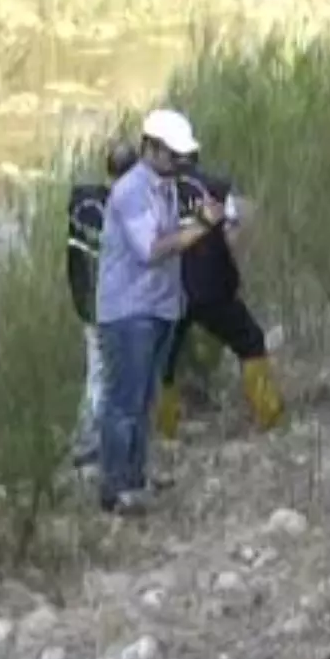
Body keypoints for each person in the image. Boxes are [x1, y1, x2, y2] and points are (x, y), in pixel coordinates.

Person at [95, 109, 224, 516]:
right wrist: (203, 225)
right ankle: (116, 488)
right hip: (129, 310)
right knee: (123, 403)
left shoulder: (163, 184)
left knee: (145, 397)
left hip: (158, 307)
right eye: (173, 155)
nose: (179, 163)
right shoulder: (132, 191)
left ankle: (134, 477)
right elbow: (150, 249)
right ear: (150, 147)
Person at [154, 154, 285, 439]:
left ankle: (166, 434)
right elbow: (232, 235)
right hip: (211, 287)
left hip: (169, 293)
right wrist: (235, 274)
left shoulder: (154, 191)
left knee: (165, 362)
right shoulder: (216, 187)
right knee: (250, 341)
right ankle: (269, 416)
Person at [66, 141, 139, 465]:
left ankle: (87, 437)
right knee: (105, 375)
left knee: (96, 371)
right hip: (111, 306)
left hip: (84, 302)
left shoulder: (83, 203)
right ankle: (92, 442)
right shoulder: (125, 212)